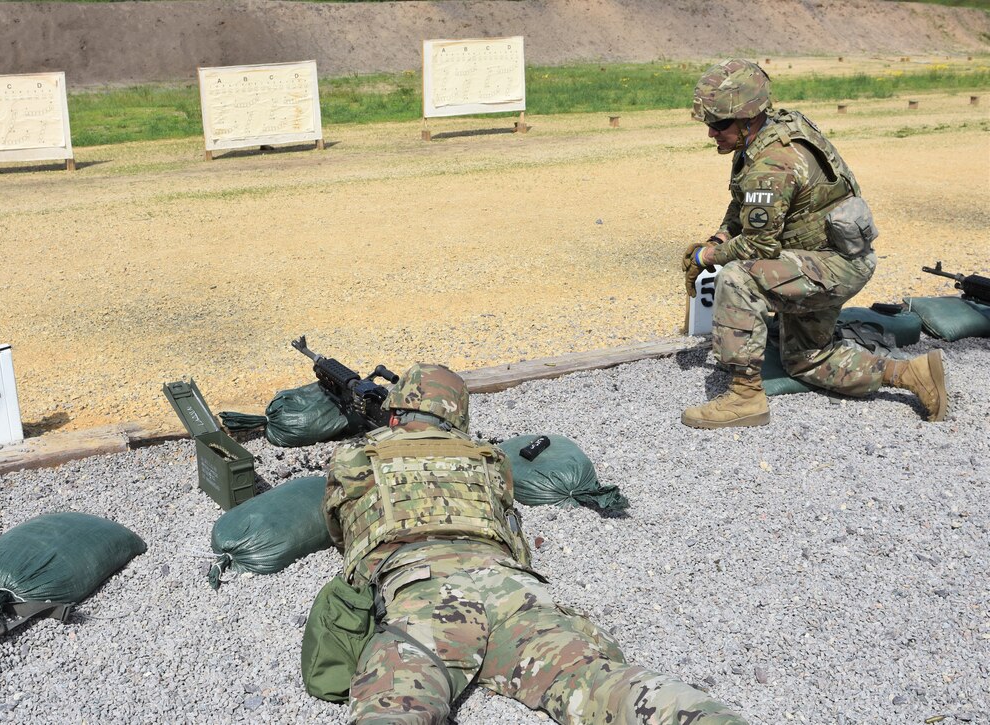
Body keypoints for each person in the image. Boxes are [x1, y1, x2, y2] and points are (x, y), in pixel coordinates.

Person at [323, 362, 748, 725]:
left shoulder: (357, 458)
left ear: (396, 411)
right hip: (513, 589)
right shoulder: (487, 457)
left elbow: (341, 533)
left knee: (398, 701)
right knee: (595, 680)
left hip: (426, 591)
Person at [681, 58, 948, 429]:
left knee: (739, 279)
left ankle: (744, 398)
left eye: (719, 124)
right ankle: (910, 374)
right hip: (826, 258)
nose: (712, 133)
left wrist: (706, 255)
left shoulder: (773, 163)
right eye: (710, 124)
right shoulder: (771, 132)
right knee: (806, 360)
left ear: (747, 118)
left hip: (830, 266)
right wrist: (719, 238)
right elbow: (744, 202)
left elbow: (758, 248)